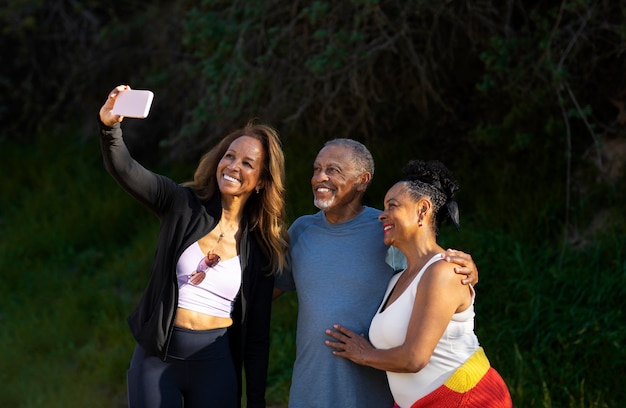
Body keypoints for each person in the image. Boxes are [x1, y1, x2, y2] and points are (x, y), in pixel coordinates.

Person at [98, 85, 289, 408]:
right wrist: (110, 127)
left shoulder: (261, 248)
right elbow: (128, 170)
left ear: (262, 182)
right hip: (157, 358)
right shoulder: (182, 204)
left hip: (214, 364)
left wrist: (256, 401)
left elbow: (256, 337)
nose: (233, 166)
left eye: (247, 163)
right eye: (229, 156)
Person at [273, 139, 478, 407]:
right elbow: (262, 293)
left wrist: (468, 269)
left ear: (362, 180)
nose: (320, 177)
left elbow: (429, 267)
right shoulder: (301, 231)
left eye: (333, 170)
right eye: (317, 169)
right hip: (310, 391)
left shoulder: (386, 232)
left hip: (375, 394)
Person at [325, 159, 512, 407]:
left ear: (422, 210)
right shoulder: (397, 278)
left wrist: (364, 353)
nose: (382, 215)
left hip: (465, 399)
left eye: (392, 206)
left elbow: (414, 358)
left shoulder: (444, 271)